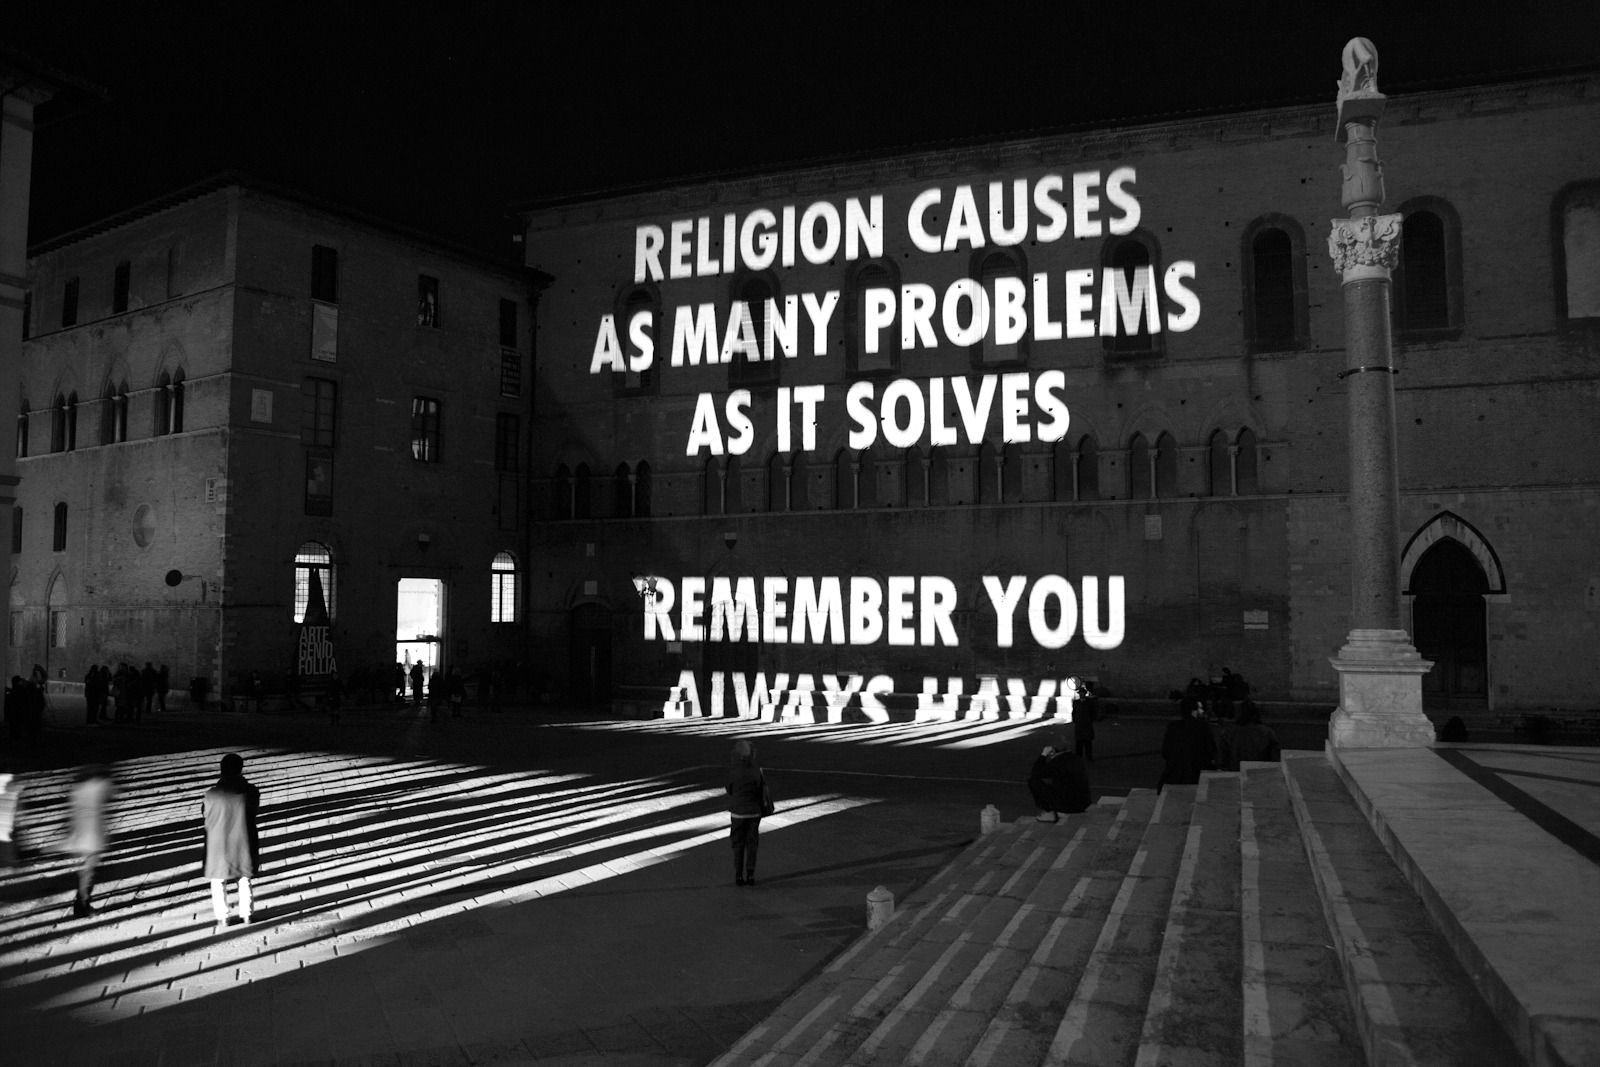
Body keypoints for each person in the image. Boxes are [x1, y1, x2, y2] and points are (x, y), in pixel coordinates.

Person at [202, 753, 261, 929]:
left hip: (218, 843)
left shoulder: (211, 794)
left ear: (221, 771)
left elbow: (205, 814)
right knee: (244, 877)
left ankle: (223, 917)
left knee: (218, 879)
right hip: (243, 840)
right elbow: (253, 810)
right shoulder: (251, 792)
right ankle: (247, 914)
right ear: (240, 770)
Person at [61, 765, 114, 917]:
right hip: (92, 838)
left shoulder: (77, 789)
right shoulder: (100, 786)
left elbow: (72, 815)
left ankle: (82, 905)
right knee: (88, 875)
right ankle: (82, 907)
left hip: (82, 837)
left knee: (85, 873)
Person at [726, 740, 768, 886]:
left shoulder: (733, 771)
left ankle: (738, 876)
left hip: (738, 812)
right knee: (752, 844)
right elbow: (761, 789)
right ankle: (750, 874)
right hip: (754, 812)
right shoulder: (757, 771)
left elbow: (729, 789)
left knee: (738, 844)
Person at [1028, 731, 1092, 822]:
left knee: (1033, 782)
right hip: (1083, 803)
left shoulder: (1057, 762)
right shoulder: (1076, 758)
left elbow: (1035, 773)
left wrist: (1043, 755)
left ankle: (1050, 812)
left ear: (1053, 751)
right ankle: (1059, 809)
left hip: (1068, 805)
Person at [1160, 697, 1217, 790]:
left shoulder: (1173, 727)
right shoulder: (1203, 727)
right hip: (1196, 776)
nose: (1202, 711)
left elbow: (1165, 752)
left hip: (1175, 775)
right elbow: (1211, 752)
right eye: (1199, 708)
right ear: (1193, 711)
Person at [1218, 700, 1282, 769]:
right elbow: (1275, 759)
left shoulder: (1228, 733)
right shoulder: (1267, 733)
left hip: (1236, 771)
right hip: (1260, 771)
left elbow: (1222, 759)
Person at [1069, 678, 1097, 762]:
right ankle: (1079, 757)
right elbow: (1074, 712)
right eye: (1080, 693)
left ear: (1085, 694)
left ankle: (1089, 757)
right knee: (1079, 742)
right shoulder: (1076, 702)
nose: (1081, 695)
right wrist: (1075, 720)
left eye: (1083, 693)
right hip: (1079, 724)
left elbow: (1093, 712)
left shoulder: (1089, 702)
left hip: (1087, 724)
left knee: (1088, 742)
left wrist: (1090, 720)